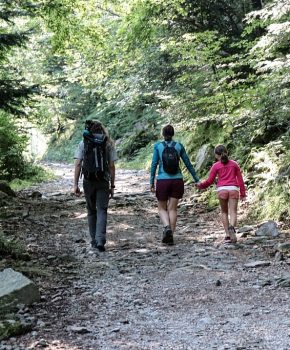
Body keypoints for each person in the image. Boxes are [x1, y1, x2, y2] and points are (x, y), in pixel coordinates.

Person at [150, 124, 200, 245]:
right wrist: (196, 179)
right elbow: (188, 163)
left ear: (163, 134)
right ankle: (171, 234)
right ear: (173, 134)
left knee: (162, 208)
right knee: (172, 209)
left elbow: (154, 164)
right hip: (177, 180)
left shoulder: (158, 146)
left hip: (162, 180)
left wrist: (151, 182)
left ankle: (166, 227)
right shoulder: (179, 146)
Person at [74, 120, 118, 252]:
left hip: (88, 180)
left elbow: (77, 164)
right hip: (103, 180)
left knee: (91, 210)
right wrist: (112, 185)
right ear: (102, 130)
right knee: (102, 210)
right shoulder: (108, 143)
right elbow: (111, 166)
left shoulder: (84, 143)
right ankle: (101, 240)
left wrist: (75, 184)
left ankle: (93, 240)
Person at [196, 144, 246, 244]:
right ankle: (232, 227)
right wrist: (243, 194)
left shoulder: (216, 166)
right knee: (233, 212)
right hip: (233, 189)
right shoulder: (234, 164)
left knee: (224, 212)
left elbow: (210, 181)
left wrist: (200, 185)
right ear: (227, 152)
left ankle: (227, 235)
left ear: (216, 155)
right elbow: (240, 180)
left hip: (222, 190)